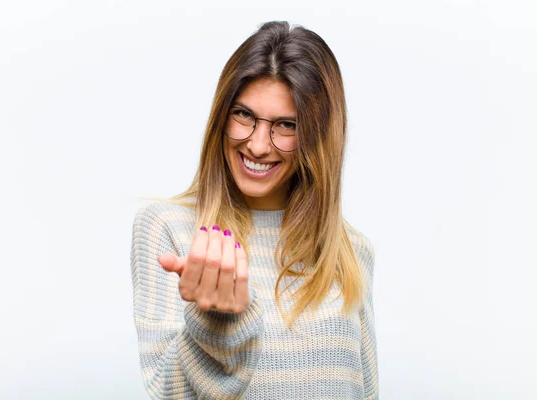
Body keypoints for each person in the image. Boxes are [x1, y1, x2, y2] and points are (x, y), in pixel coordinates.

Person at [130, 20, 378, 400]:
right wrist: (217, 323)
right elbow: (166, 393)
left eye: (286, 125)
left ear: (318, 136)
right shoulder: (169, 229)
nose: (259, 145)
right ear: (221, 117)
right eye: (244, 115)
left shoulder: (351, 251)